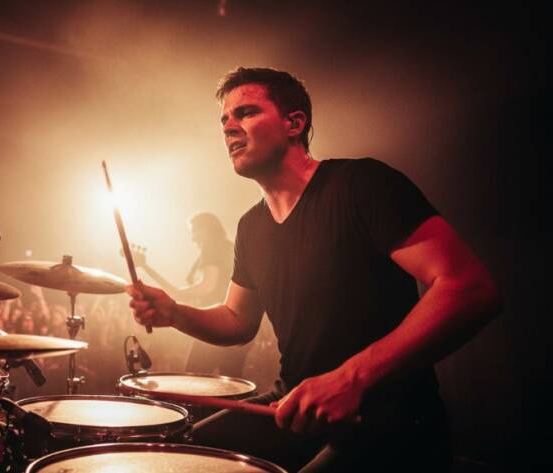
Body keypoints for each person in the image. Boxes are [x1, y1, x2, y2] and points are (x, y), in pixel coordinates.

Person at [126, 67, 502, 472]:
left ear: (294, 123)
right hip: (296, 406)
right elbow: (237, 321)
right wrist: (174, 312)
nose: (229, 128)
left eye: (246, 113)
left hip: (388, 417)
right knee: (177, 458)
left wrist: (351, 378)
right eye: (224, 120)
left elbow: (468, 287)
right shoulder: (251, 227)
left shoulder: (361, 185)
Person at [129, 212, 251, 377]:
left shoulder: (212, 247)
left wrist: (177, 296)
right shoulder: (229, 247)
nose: (193, 238)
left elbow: (207, 286)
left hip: (215, 323)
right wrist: (146, 267)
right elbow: (181, 293)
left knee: (194, 380)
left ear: (206, 229)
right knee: (233, 386)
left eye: (194, 231)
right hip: (238, 329)